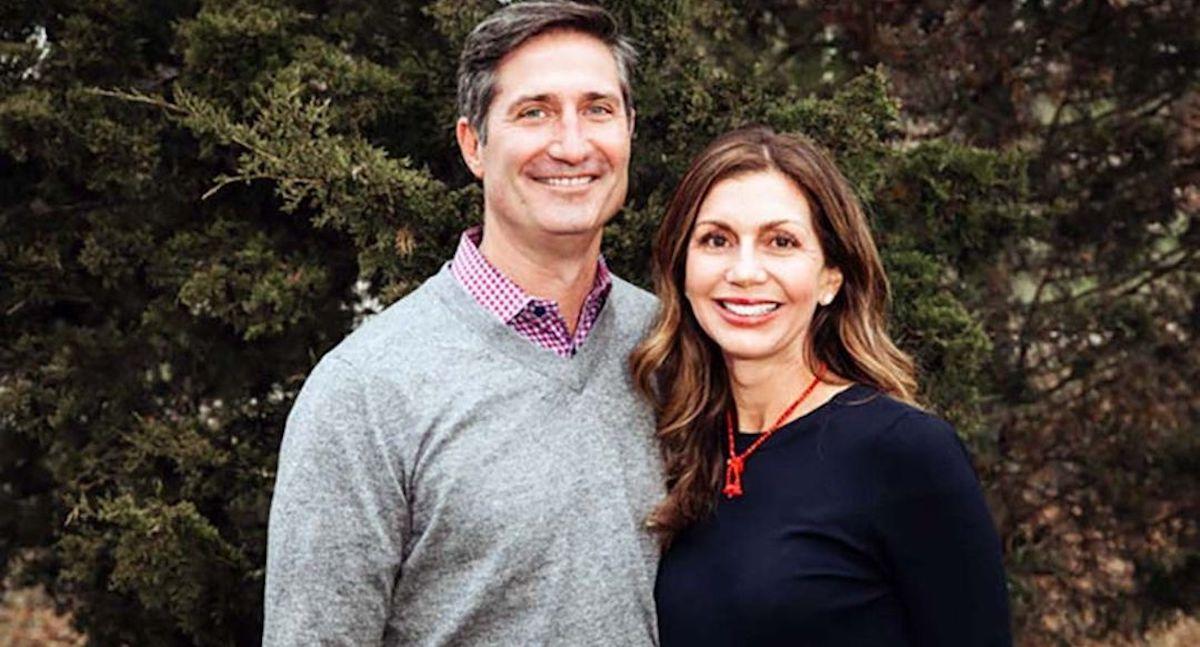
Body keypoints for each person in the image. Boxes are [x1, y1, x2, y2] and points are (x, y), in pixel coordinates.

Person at [264, 3, 662, 645]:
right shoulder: (366, 390)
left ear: (629, 131)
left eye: (598, 109)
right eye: (534, 112)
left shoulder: (670, 346)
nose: (572, 143)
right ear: (473, 145)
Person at [631, 126, 1012, 646]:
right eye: (716, 240)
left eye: (780, 242)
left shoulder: (904, 451)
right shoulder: (672, 441)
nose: (744, 271)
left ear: (831, 276)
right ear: (683, 267)